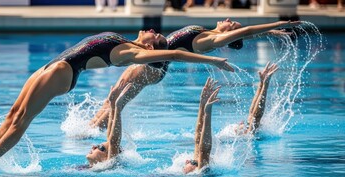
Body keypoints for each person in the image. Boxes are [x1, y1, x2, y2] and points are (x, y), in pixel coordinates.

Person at [0, 30, 234, 174]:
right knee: (13, 114)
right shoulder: (127, 41)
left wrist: (213, 60)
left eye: (156, 37)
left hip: (63, 72)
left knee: (21, 122)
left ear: (151, 48)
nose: (153, 31)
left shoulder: (131, 52)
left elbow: (175, 53)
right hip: (55, 64)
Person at [90, 20, 300, 129]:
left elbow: (245, 32)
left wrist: (278, 24)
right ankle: (92, 126)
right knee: (114, 96)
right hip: (153, 63)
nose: (228, 20)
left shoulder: (210, 41)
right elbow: (247, 33)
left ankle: (96, 130)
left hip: (154, 68)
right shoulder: (209, 33)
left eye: (233, 24)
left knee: (119, 100)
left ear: (229, 34)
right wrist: (269, 33)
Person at [183, 63, 278, 174]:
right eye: (193, 162)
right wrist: (205, 109)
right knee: (253, 125)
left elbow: (200, 141)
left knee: (253, 125)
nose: (187, 161)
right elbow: (203, 148)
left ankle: (263, 83)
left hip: (225, 136)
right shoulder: (202, 168)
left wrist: (203, 106)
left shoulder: (200, 168)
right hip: (227, 137)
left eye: (192, 162)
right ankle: (264, 83)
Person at [86, 83, 134, 166]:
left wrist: (117, 109)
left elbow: (113, 142)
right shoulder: (86, 169)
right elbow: (110, 140)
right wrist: (112, 105)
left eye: (101, 148)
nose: (93, 146)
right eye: (100, 147)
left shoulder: (109, 166)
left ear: (106, 158)